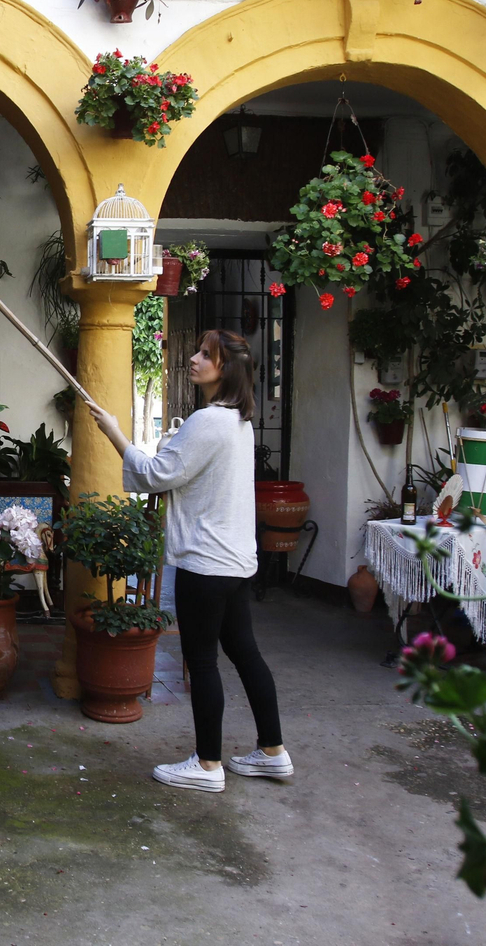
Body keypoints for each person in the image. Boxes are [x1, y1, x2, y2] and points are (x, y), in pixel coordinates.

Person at [86, 329, 290, 792]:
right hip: (235, 561)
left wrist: (113, 431)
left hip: (206, 563)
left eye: (205, 355)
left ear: (226, 368)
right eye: (197, 351)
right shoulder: (239, 421)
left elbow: (156, 475)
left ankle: (207, 764)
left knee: (201, 661)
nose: (194, 359)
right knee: (245, 654)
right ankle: (272, 752)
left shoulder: (209, 420)